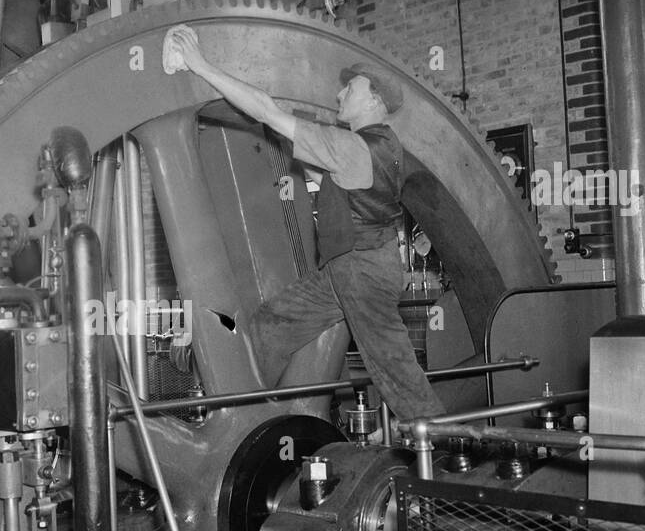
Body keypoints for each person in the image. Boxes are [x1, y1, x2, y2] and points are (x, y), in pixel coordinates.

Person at [165, 24, 445, 421]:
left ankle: (447, 446)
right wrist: (288, 135)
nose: (340, 93)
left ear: (374, 100)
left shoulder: (351, 146)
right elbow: (326, 179)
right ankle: (249, 413)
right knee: (270, 324)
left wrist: (200, 64)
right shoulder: (385, 147)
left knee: (396, 372)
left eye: (352, 88)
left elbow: (267, 110)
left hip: (361, 271)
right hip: (350, 266)